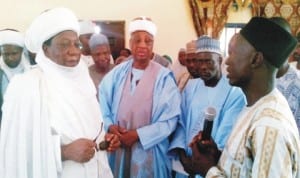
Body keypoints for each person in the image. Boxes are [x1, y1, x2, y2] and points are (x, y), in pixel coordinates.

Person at [0, 7, 120, 178]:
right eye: (64, 44)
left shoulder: (83, 78)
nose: (74, 50)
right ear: (45, 49)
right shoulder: (26, 85)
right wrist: (64, 152)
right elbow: (15, 150)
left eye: (76, 44)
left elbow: (91, 128)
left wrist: (105, 140)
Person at [189, 17, 300, 177]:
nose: (226, 61)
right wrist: (216, 157)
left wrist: (208, 170)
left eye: (232, 53)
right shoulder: (255, 106)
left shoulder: (270, 127)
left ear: (255, 59)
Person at [99, 16, 181, 178]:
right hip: (119, 146)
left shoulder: (164, 77)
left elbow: (170, 120)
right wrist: (109, 126)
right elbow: (103, 102)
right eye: (137, 40)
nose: (142, 45)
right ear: (130, 44)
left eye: (148, 41)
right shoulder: (117, 73)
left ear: (153, 44)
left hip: (150, 152)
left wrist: (138, 135)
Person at [169, 35, 246, 178]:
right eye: (199, 61)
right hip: (185, 165)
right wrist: (182, 156)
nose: (203, 67)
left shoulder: (234, 92)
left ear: (220, 60)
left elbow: (226, 135)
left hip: (212, 166)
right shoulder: (190, 87)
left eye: (208, 61)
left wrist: (201, 163)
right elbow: (181, 123)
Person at [0, 29, 32, 122]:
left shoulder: (32, 69)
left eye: (14, 53)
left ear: (21, 51)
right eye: (6, 54)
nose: (10, 58)